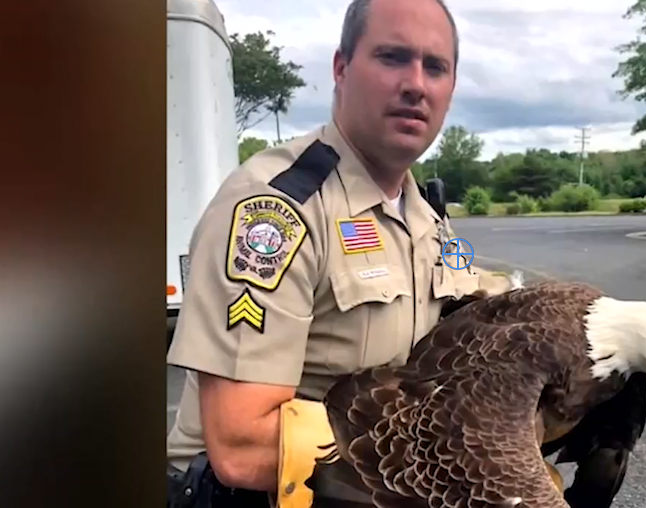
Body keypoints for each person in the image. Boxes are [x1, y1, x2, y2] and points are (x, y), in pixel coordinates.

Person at [165, 0, 513, 506]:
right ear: (342, 68)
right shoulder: (276, 211)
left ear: (451, 88)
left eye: (434, 66)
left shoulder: (428, 219)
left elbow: (473, 299)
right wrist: (463, 469)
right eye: (392, 57)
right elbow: (242, 448)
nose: (416, 83)